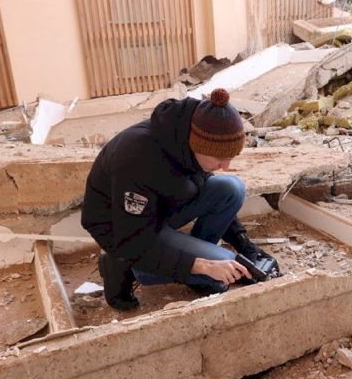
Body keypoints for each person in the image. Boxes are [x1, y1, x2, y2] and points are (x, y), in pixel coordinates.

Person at [81, 88, 279, 310]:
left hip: (159, 210)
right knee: (221, 269)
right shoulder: (137, 158)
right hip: (121, 228)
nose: (226, 166)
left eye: (231, 158)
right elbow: (134, 241)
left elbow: (204, 184)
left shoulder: (192, 133)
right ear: (197, 145)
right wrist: (204, 266)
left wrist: (244, 244)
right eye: (220, 158)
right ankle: (123, 265)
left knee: (231, 188)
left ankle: (190, 264)